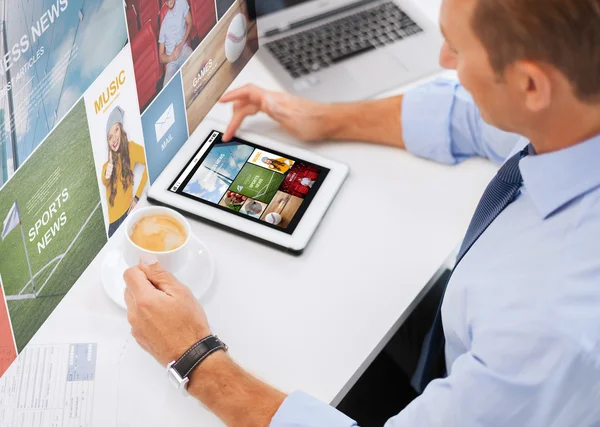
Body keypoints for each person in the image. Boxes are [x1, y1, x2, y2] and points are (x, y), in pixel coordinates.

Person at [123, 0, 600, 425]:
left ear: (531, 84)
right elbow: (470, 116)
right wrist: (323, 119)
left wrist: (195, 360)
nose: (442, 61)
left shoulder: (550, 332)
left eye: (457, 48)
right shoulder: (575, 111)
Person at [102, 107, 148, 237]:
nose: (114, 138)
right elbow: (105, 179)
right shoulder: (107, 165)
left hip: (129, 215)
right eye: (110, 137)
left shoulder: (131, 149)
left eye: (116, 129)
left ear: (122, 129)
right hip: (114, 226)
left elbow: (148, 162)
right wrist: (109, 169)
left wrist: (137, 197)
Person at [159, 0, 193, 85]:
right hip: (171, 62)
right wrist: (171, 57)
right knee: (167, 88)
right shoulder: (163, 26)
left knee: (196, 63)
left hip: (184, 49)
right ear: (165, 3)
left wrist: (181, 45)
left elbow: (190, 23)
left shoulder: (182, 3)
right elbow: (161, 57)